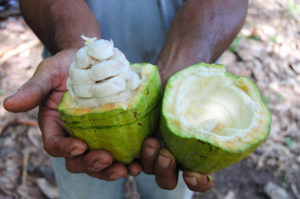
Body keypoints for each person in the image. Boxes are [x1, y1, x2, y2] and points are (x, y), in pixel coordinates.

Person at [3, 0, 248, 198]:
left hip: (188, 76)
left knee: (169, 185)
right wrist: (77, 50)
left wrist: (183, 70)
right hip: (77, 100)